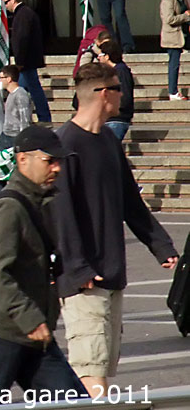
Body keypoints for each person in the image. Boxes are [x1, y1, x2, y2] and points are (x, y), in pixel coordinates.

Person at [48, 62, 178, 399]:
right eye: (120, 88)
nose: (125, 95)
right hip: (84, 279)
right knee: (91, 369)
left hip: (111, 271)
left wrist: (161, 245)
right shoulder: (66, 144)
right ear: (104, 94)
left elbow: (130, 201)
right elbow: (61, 214)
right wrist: (77, 268)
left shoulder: (107, 139)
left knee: (103, 367)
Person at [0, 125, 87, 403]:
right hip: (0, 334)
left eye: (59, 161)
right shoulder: (9, 208)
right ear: (23, 160)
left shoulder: (40, 202)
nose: (56, 168)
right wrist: (31, 319)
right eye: (49, 161)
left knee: (75, 404)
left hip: (35, 336)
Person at [4, 0, 50, 123]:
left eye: (6, 3)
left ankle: (42, 117)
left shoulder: (23, 14)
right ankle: (37, 117)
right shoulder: (25, 13)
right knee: (26, 89)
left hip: (26, 61)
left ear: (13, 0)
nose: (5, 6)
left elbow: (22, 38)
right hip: (27, 60)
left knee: (25, 90)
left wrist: (19, 61)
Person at [96, 39, 134, 141]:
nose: (98, 58)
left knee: (108, 152)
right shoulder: (111, 72)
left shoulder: (121, 71)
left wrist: (111, 107)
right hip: (110, 119)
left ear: (107, 56)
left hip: (117, 119)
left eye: (100, 55)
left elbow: (125, 97)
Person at [160, 0, 190, 100]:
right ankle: (173, 91)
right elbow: (168, 19)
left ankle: (174, 91)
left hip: (183, 35)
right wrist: (185, 16)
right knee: (174, 64)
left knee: (175, 64)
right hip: (173, 36)